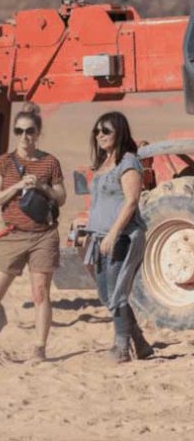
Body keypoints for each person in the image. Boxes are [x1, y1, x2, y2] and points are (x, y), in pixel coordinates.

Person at [0, 102, 66, 363]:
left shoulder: (49, 163)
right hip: (12, 234)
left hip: (43, 235)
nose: (25, 136)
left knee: (40, 293)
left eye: (30, 131)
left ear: (38, 132)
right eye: (19, 131)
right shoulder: (3, 163)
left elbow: (62, 197)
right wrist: (19, 186)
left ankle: (39, 348)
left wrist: (43, 187)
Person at [84, 111, 153, 362]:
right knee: (105, 293)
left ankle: (121, 348)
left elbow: (132, 200)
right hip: (99, 238)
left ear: (119, 132)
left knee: (116, 293)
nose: (100, 135)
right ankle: (141, 343)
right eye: (97, 131)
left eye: (106, 131)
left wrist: (113, 233)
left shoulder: (128, 162)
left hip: (121, 237)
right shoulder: (103, 164)